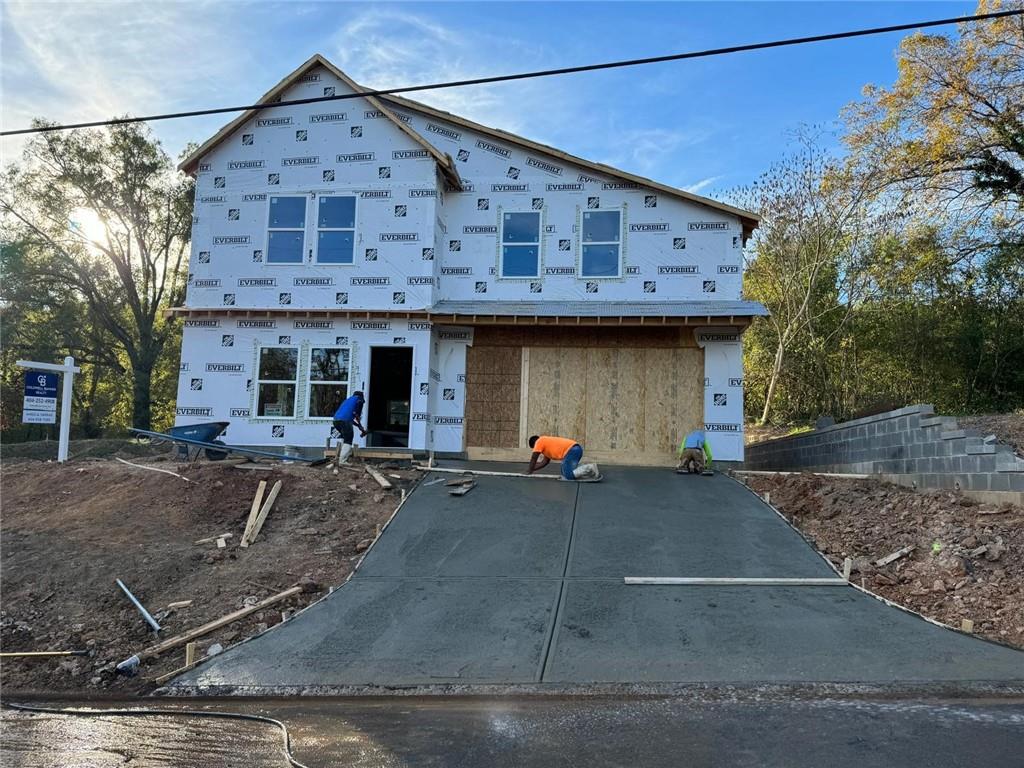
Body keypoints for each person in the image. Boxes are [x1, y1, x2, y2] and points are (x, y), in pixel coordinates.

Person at [527, 434, 598, 480]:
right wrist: (532, 469)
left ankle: (589, 468)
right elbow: (544, 462)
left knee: (569, 476)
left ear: (535, 444)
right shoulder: (545, 446)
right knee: (564, 474)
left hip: (572, 451)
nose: (536, 449)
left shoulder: (539, 441)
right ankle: (586, 470)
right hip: (575, 450)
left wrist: (529, 470)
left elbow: (534, 457)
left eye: (534, 448)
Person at [332, 390, 366, 465]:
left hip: (336, 421)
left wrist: (358, 426)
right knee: (348, 439)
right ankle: (342, 461)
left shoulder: (347, 401)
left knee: (345, 437)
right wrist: (360, 424)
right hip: (345, 421)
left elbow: (349, 418)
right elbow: (356, 415)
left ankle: (339, 457)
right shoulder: (359, 399)